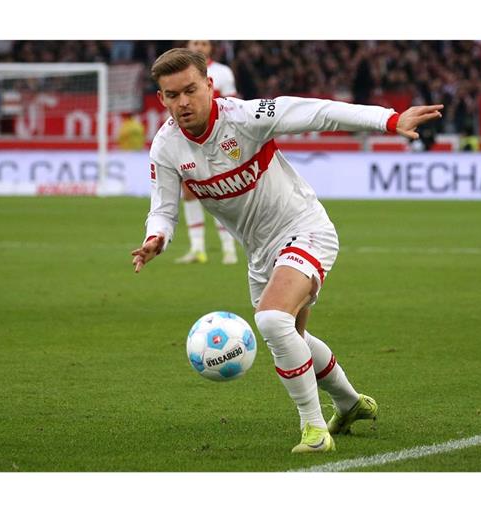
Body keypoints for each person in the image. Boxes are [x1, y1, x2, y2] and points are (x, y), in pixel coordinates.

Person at [131, 49, 443, 453]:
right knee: (292, 334)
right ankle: (349, 403)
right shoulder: (167, 147)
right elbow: (163, 209)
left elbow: (317, 113)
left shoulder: (245, 118)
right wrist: (157, 237)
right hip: (260, 252)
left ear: (210, 86)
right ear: (162, 98)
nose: (183, 102)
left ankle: (314, 432)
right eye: (172, 95)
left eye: (191, 90)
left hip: (304, 228)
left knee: (273, 320)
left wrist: (388, 119)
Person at [175, 40, 239, 265]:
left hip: (218, 141)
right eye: (195, 43)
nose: (199, 47)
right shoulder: (178, 74)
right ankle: (197, 248)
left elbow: (233, 104)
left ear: (210, 48)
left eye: (204, 43)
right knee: (189, 192)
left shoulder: (222, 72)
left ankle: (229, 248)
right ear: (188, 46)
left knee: (222, 192)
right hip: (189, 142)